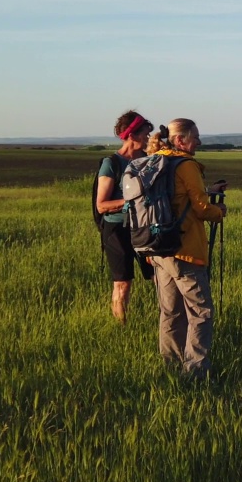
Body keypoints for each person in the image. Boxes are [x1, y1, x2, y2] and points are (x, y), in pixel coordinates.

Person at [149, 119, 227, 380]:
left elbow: (176, 197)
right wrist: (220, 212)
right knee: (200, 312)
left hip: (159, 249)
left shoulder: (156, 159)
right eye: (195, 137)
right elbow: (201, 208)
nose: (199, 142)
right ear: (180, 140)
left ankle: (170, 368)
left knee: (170, 312)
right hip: (186, 250)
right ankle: (195, 373)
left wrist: (207, 191)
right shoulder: (186, 164)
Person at [94, 110, 153, 324]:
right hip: (117, 230)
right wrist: (132, 201)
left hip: (146, 227)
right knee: (122, 283)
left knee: (159, 277)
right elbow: (102, 205)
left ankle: (168, 323)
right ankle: (121, 327)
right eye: (145, 133)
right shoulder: (112, 164)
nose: (148, 137)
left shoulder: (148, 161)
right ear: (131, 135)